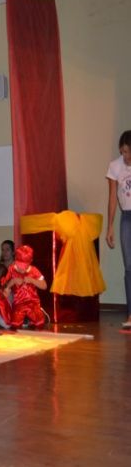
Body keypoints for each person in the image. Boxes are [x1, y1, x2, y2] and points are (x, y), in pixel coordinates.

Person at [106, 130, 131, 328]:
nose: (125, 156)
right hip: (127, 217)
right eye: (122, 152)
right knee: (129, 267)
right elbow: (113, 197)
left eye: (128, 152)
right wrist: (110, 227)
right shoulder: (115, 166)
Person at [4, 245, 47, 330]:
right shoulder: (11, 269)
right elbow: (5, 288)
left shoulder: (34, 270)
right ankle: (26, 319)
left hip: (33, 303)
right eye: (20, 266)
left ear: (30, 262)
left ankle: (39, 315)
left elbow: (44, 286)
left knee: (40, 323)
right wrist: (12, 282)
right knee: (15, 325)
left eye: (24, 267)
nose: (22, 270)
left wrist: (32, 280)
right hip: (19, 304)